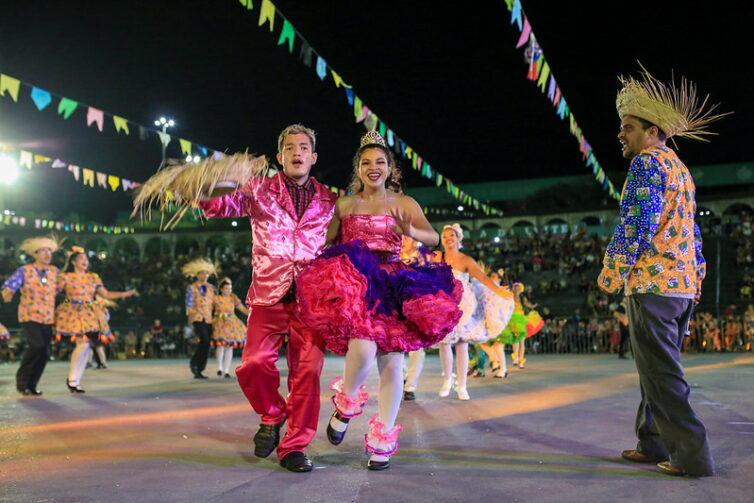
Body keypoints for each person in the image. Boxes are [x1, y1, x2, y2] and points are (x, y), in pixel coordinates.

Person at [296, 131, 462, 470]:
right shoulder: (344, 205)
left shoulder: (404, 203)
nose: (374, 168)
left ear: (390, 169)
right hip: (357, 285)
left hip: (393, 284)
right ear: (358, 168)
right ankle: (345, 403)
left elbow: (431, 234)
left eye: (380, 163)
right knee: (363, 348)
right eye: (366, 163)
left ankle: (383, 439)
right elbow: (324, 245)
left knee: (394, 364)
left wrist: (413, 233)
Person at [597, 64, 728, 477]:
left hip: (653, 284)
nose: (622, 134)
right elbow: (692, 231)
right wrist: (698, 276)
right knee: (654, 369)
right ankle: (651, 442)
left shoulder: (646, 164)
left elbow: (637, 222)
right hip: (680, 286)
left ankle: (692, 456)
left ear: (653, 131)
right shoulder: (680, 170)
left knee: (661, 371)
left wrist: (612, 272)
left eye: (630, 127)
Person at [195, 124, 337, 472]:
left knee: (307, 375)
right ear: (280, 156)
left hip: (311, 301)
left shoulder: (332, 201)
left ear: (314, 156)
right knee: (254, 363)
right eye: (290, 148)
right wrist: (198, 185)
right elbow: (216, 206)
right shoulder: (258, 189)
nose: (297, 152)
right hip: (266, 295)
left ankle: (294, 447)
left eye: (304, 147)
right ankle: (272, 414)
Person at [435, 224, 513, 399]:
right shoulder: (438, 257)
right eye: (445, 236)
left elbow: (482, 277)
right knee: (444, 342)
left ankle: (462, 386)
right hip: (443, 302)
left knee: (462, 343)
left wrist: (498, 290)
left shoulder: (466, 260)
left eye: (452, 235)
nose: (448, 239)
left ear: (458, 238)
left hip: (463, 304)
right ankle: (448, 380)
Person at [56, 247, 135, 393]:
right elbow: (52, 291)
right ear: (73, 262)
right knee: (82, 343)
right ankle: (72, 379)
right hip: (73, 312)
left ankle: (75, 380)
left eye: (86, 259)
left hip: (90, 313)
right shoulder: (65, 277)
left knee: (85, 346)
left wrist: (124, 294)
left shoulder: (93, 277)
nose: (85, 261)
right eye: (81, 259)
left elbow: (106, 294)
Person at [2, 236, 61, 396]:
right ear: (34, 254)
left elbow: (63, 287)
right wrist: (8, 293)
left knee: (45, 352)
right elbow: (10, 285)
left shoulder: (55, 271)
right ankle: (22, 381)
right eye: (43, 251)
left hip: (47, 317)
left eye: (49, 251)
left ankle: (32, 384)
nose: (47, 254)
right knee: (37, 346)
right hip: (29, 315)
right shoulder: (25, 270)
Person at [182, 259, 217, 379]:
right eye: (202, 273)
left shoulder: (212, 288)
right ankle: (194, 364)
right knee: (204, 339)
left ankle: (200, 368)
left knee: (207, 343)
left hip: (208, 318)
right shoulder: (191, 288)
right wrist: (190, 317)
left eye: (206, 273)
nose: (204, 275)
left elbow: (217, 302)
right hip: (197, 317)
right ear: (197, 275)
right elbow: (189, 303)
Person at [212, 277, 248, 378]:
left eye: (230, 288)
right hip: (219, 323)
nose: (228, 290)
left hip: (231, 323)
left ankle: (226, 370)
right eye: (227, 288)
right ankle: (220, 367)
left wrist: (252, 312)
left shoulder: (233, 298)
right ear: (221, 289)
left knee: (229, 346)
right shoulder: (216, 298)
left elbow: (243, 310)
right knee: (221, 345)